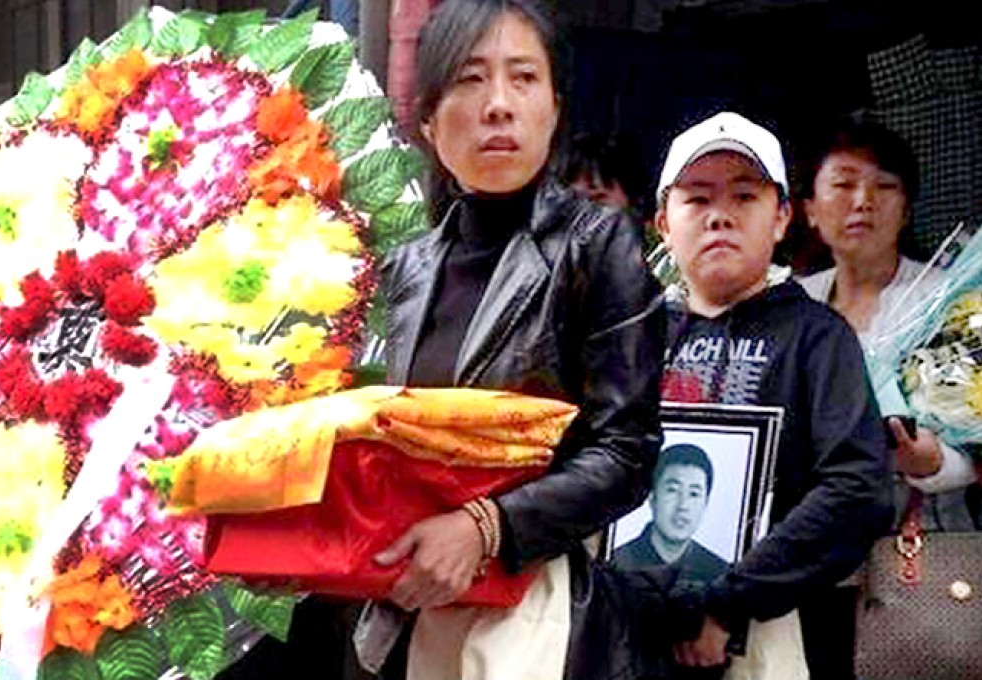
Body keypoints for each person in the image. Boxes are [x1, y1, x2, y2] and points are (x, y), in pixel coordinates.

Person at [353, 1, 672, 679]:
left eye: (523, 78)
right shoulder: (403, 270)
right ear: (430, 118)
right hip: (405, 613)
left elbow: (627, 452)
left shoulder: (598, 246)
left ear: (554, 109)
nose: (499, 104)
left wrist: (487, 526)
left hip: (534, 613)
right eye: (470, 79)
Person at [653, 111, 891, 678]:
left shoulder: (818, 338)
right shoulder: (634, 339)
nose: (719, 217)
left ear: (782, 217)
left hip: (775, 636)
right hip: (632, 630)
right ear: (663, 222)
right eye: (697, 198)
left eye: (744, 197)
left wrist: (728, 602)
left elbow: (858, 488)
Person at [798, 120, 980, 533]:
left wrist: (932, 462)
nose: (863, 201)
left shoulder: (950, 302)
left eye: (884, 186)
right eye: (844, 185)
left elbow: (973, 439)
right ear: (808, 209)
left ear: (906, 210)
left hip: (922, 541)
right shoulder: (790, 303)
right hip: (807, 541)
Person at [614, 444, 729, 582]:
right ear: (651, 495)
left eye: (693, 494)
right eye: (672, 490)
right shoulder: (616, 565)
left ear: (706, 503)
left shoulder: (720, 574)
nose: (683, 505)